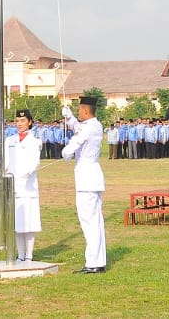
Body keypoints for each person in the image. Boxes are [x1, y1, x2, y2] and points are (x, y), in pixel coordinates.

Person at [61, 96, 106, 274]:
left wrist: (65, 153)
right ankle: (98, 260)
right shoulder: (96, 125)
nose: (79, 112)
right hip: (94, 176)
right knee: (97, 221)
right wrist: (69, 117)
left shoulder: (87, 128)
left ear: (86, 111)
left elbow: (73, 145)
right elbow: (79, 128)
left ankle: (92, 262)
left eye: (79, 110)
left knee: (89, 222)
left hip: (86, 179)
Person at [0, 109, 42, 263]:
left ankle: (29, 254)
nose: (19, 124)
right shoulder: (10, 140)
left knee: (29, 221)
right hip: (13, 186)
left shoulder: (35, 141)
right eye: (17, 121)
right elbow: (5, 163)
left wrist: (29, 171)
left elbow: (35, 161)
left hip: (28, 186)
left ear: (30, 122)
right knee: (17, 222)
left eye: (22, 121)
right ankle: (20, 254)